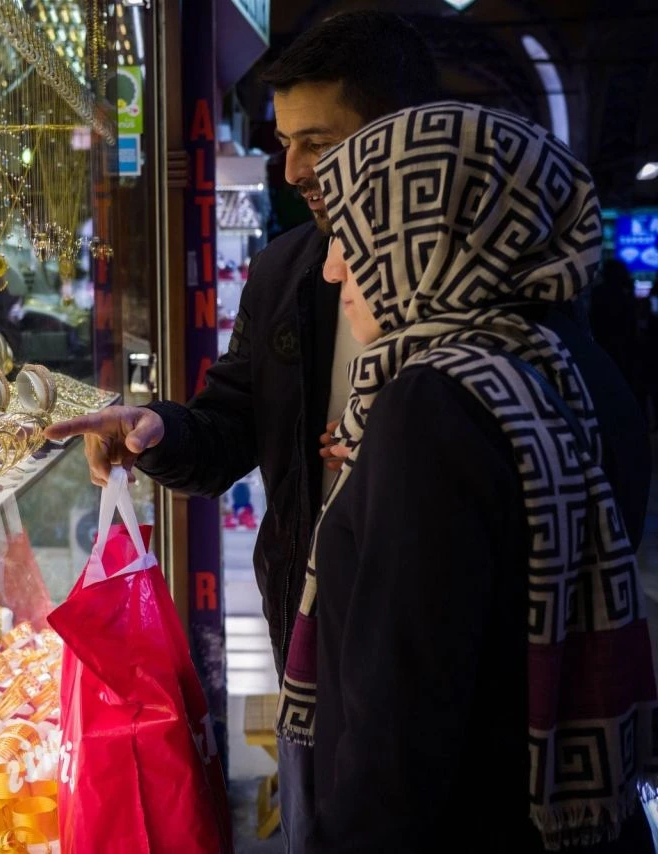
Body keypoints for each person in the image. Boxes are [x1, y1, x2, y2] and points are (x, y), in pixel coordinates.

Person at [275, 101, 655, 853]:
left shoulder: (435, 402)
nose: (331, 267)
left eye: (352, 236)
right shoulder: (573, 366)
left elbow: (397, 745)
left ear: (428, 233)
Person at [45, 10, 442, 677]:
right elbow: (230, 426)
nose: (290, 169)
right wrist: (157, 430)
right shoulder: (284, 274)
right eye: (284, 141)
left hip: (434, 645)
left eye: (315, 141)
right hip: (306, 633)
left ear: (396, 135)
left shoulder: (480, 277)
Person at [589, 259, 647, 422]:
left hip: (604, 348)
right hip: (628, 350)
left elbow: (595, 321)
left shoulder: (599, 293)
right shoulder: (626, 294)